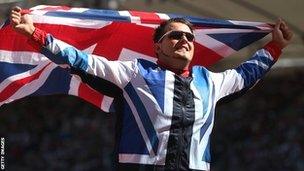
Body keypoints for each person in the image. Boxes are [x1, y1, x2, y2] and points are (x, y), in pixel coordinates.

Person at [10, 6, 293, 171]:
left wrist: (275, 46)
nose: (185, 40)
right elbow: (81, 61)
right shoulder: (134, 73)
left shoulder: (212, 81)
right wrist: (34, 34)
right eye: (176, 36)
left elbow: (247, 73)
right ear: (158, 47)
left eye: (189, 37)